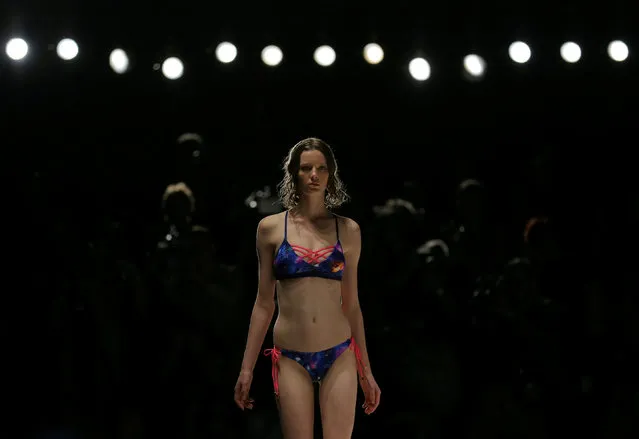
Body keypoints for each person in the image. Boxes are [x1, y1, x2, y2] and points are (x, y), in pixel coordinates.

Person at [234, 137, 381, 438]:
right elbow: (264, 303)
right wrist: (246, 368)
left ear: (330, 174)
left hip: (339, 352)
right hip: (290, 356)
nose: (314, 175)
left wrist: (366, 371)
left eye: (321, 168)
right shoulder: (271, 229)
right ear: (293, 173)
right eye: (306, 168)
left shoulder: (349, 230)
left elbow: (351, 305)